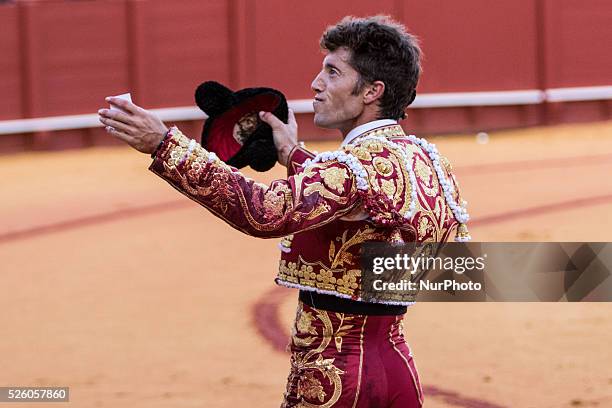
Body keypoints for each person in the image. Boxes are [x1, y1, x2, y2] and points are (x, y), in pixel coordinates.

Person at [98, 15, 469, 408]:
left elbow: (264, 212)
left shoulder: (350, 169)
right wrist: (291, 153)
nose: (316, 83)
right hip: (398, 371)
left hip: (333, 378)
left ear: (371, 92)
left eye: (332, 72)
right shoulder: (423, 160)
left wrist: (165, 145)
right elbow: (359, 207)